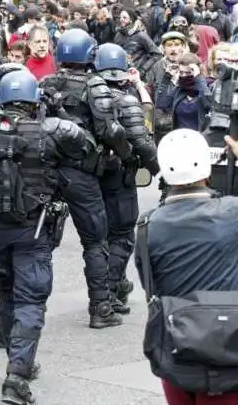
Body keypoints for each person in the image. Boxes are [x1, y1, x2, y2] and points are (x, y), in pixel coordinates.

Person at [0, 69, 93, 404]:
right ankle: (17, 374)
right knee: (30, 301)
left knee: (5, 287)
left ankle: (12, 347)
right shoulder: (52, 130)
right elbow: (86, 145)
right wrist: (55, 108)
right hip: (32, 230)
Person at [136, 129, 238, 404]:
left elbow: (150, 284)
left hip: (176, 346)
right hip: (230, 344)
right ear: (206, 169)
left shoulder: (148, 225)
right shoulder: (231, 212)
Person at [40, 28, 131, 328]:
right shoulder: (95, 85)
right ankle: (101, 308)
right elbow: (110, 130)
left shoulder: (45, 83)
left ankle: (21, 312)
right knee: (95, 242)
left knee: (36, 244)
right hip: (82, 173)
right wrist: (125, 152)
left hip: (46, 170)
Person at [93, 43, 159, 313]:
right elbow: (142, 142)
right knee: (121, 235)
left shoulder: (86, 97)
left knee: (97, 239)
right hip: (119, 175)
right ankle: (109, 292)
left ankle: (111, 288)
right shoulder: (125, 101)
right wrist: (160, 171)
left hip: (88, 178)